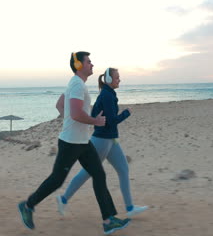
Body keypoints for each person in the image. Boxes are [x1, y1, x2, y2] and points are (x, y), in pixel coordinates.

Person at [18, 52, 130, 235]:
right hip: (71, 143)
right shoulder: (77, 85)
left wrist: (69, 121)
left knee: (99, 175)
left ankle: (109, 220)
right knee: (57, 180)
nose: (92, 65)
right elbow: (76, 114)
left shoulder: (75, 83)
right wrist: (95, 122)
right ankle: (28, 205)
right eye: (89, 61)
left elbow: (60, 105)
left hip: (82, 142)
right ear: (79, 65)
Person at [56, 67, 148, 218]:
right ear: (110, 80)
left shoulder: (108, 94)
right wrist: (126, 113)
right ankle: (63, 199)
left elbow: (95, 113)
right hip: (102, 140)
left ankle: (130, 208)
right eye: (117, 78)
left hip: (110, 139)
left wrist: (97, 119)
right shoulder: (107, 95)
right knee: (87, 172)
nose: (119, 80)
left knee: (123, 169)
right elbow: (111, 121)